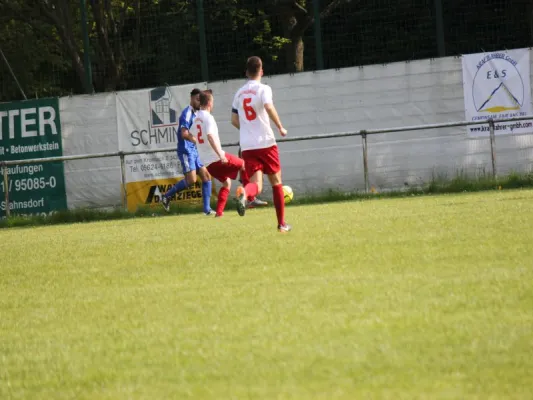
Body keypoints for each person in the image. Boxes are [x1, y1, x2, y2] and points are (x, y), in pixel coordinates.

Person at [231, 56, 291, 233]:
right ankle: (281, 224)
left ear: (246, 72)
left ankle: (245, 194)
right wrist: (280, 126)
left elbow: (233, 119)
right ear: (261, 71)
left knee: (257, 184)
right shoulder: (264, 89)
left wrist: (248, 128)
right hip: (265, 142)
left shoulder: (239, 93)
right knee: (276, 182)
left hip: (248, 146)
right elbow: (269, 107)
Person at [191, 90, 245, 217]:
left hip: (208, 164)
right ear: (209, 103)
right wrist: (220, 155)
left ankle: (219, 213)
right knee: (244, 165)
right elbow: (210, 136)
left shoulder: (196, 119)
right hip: (216, 158)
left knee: (227, 183)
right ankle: (249, 197)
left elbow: (191, 135)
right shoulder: (208, 118)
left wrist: (200, 145)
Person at [161, 88, 213, 215]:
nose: (199, 102)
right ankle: (166, 196)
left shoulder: (198, 113)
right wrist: (195, 140)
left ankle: (207, 210)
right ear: (191, 98)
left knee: (206, 176)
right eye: (197, 99)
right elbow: (184, 133)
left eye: (200, 100)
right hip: (186, 150)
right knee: (191, 180)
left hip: (195, 150)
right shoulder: (187, 113)